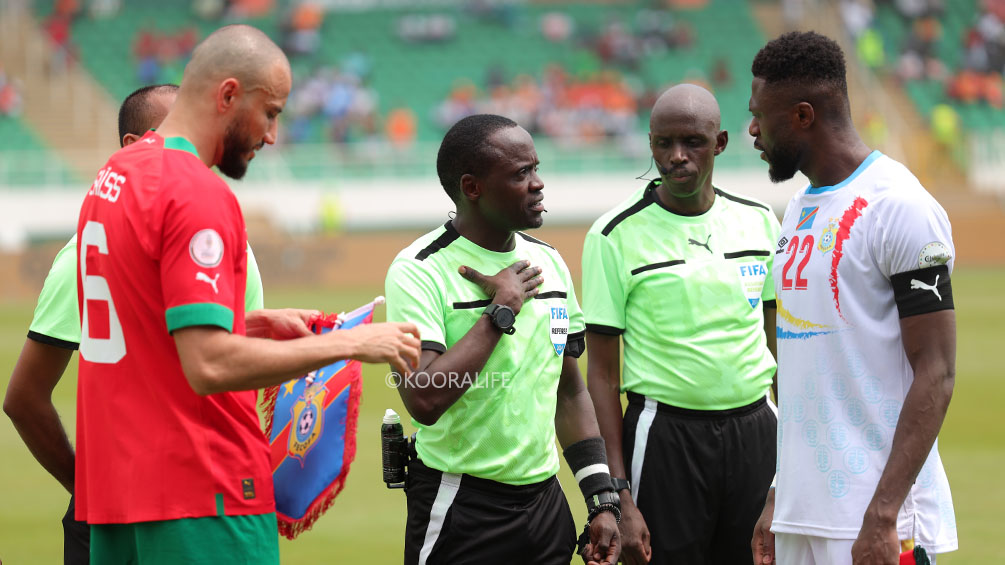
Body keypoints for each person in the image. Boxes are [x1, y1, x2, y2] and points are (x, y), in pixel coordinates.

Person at [73, 25, 421, 564]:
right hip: (202, 493)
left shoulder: (116, 173)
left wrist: (252, 322)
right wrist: (352, 344)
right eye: (272, 112)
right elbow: (208, 365)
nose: (273, 135)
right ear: (229, 95)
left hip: (121, 497)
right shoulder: (196, 192)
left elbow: (145, 320)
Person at [748, 31, 957, 565]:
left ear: (802, 116)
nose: (751, 130)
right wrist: (779, 492)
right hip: (803, 513)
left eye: (759, 115)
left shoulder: (899, 206)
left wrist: (884, 514)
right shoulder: (796, 210)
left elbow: (936, 369)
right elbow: (803, 371)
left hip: (878, 518)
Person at [385, 114, 621, 565]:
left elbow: (569, 391)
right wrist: (500, 313)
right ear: (472, 187)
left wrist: (600, 497)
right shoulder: (419, 269)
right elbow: (424, 401)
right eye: (520, 174)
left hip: (545, 507)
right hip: (460, 505)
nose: (538, 184)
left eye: (535, 169)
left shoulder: (549, 263)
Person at [4, 83, 207, 565]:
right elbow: (24, 398)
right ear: (133, 146)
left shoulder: (222, 236)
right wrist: (88, 489)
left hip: (210, 499)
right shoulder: (85, 252)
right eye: (174, 134)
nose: (191, 149)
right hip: (118, 509)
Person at [582, 84, 780, 564]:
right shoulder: (613, 236)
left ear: (721, 142)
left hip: (756, 430)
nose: (676, 156)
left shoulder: (760, 222)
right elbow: (603, 378)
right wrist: (619, 495)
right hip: (665, 435)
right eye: (662, 143)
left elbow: (786, 350)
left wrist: (785, 477)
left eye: (692, 141)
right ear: (649, 144)